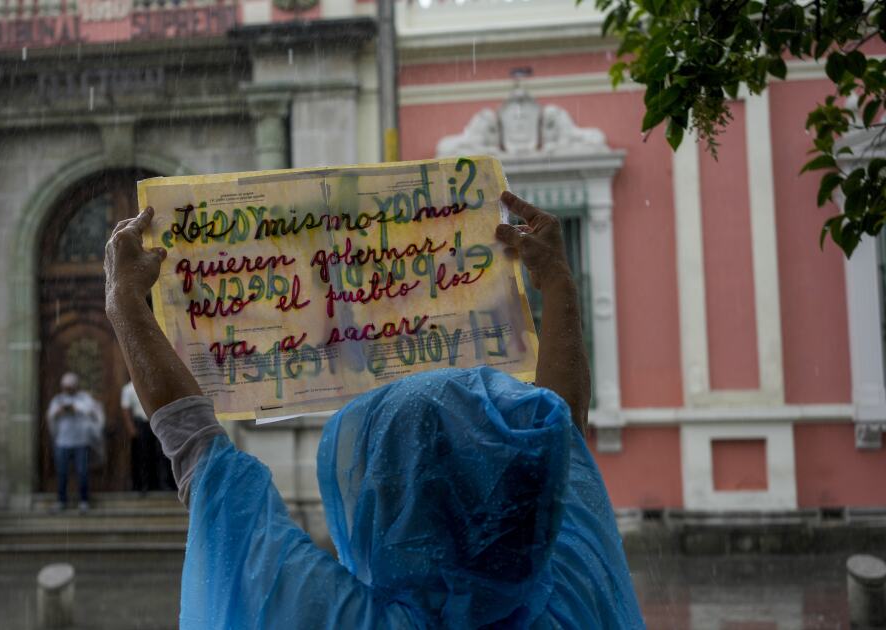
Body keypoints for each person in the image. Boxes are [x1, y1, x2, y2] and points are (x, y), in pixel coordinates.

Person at [104, 193, 644, 628]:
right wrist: (558, 283)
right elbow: (561, 433)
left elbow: (199, 453)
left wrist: (125, 302)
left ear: (383, 497)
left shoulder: (331, 616)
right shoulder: (574, 583)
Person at [46, 372, 104, 513]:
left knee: (82, 472)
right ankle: (61, 501)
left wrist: (75, 408)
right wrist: (59, 411)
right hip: (62, 442)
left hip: (81, 441)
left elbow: (91, 410)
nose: (68, 389)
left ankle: (84, 501)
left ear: (75, 386)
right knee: (62, 472)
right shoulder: (58, 399)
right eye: (66, 387)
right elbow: (51, 414)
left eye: (70, 387)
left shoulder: (84, 398)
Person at [123, 377, 173, 493]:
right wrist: (131, 428)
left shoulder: (153, 385)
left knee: (161, 454)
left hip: (157, 422)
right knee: (143, 455)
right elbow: (125, 409)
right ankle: (143, 485)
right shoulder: (128, 389)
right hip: (141, 424)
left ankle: (163, 483)